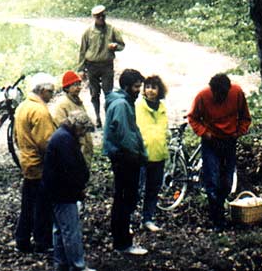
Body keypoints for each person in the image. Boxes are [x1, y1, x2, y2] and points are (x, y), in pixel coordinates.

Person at [187, 73, 251, 230]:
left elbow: (245, 117)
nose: (220, 97)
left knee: (227, 181)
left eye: (223, 94)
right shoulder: (203, 96)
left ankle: (220, 209)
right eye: (217, 94)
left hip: (229, 141)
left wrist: (239, 131)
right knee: (212, 180)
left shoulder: (237, 93)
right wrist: (204, 132)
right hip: (211, 142)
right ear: (212, 90)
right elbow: (193, 118)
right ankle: (217, 220)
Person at [43, 111, 96, 271]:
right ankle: (78, 266)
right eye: (83, 130)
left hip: (54, 191)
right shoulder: (65, 140)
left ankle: (61, 263)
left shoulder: (62, 135)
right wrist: (79, 190)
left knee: (59, 229)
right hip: (63, 193)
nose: (83, 135)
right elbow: (71, 170)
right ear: (77, 126)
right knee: (71, 231)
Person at [103, 69, 148, 255]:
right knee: (125, 199)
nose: (139, 90)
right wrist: (137, 155)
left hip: (123, 156)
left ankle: (121, 236)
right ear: (127, 86)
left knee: (123, 198)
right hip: (124, 158)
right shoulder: (121, 104)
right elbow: (125, 135)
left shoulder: (123, 102)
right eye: (137, 86)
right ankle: (122, 242)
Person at [14, 72, 57, 253]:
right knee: (42, 206)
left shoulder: (22, 107)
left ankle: (22, 240)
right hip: (39, 165)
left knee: (27, 205)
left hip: (27, 161)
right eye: (51, 91)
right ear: (43, 90)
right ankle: (43, 242)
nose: (52, 95)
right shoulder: (40, 111)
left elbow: (16, 137)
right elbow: (46, 142)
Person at [77, 5, 125, 128]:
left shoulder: (111, 29)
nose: (101, 18)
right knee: (94, 93)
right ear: (94, 17)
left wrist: (115, 46)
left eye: (103, 16)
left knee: (108, 93)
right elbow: (82, 51)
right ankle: (97, 117)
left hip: (106, 65)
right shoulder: (88, 32)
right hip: (92, 66)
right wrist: (81, 69)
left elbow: (122, 45)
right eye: (98, 16)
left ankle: (109, 117)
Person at [135, 75, 168, 232]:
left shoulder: (162, 108)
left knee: (153, 188)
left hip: (159, 154)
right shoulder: (138, 105)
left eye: (154, 87)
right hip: (142, 154)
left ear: (159, 90)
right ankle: (129, 219)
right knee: (136, 188)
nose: (150, 91)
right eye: (147, 87)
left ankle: (148, 218)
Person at [51, 70, 94, 167]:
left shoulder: (78, 101)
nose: (78, 87)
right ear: (67, 88)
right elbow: (60, 127)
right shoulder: (62, 105)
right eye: (74, 85)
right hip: (74, 146)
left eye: (79, 84)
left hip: (84, 145)